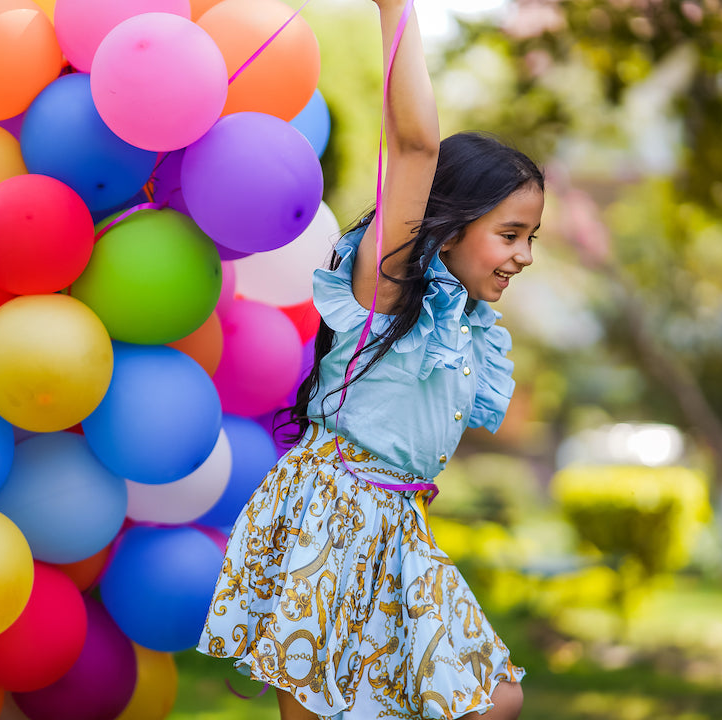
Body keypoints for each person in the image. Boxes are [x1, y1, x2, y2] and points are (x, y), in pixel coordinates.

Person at [197, 0, 544, 717]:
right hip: (332, 515)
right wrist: (395, 9)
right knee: (330, 704)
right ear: (450, 229)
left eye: (530, 238)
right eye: (510, 234)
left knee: (494, 697)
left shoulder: (465, 323)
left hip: (395, 523)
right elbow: (415, 147)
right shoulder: (388, 293)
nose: (524, 256)